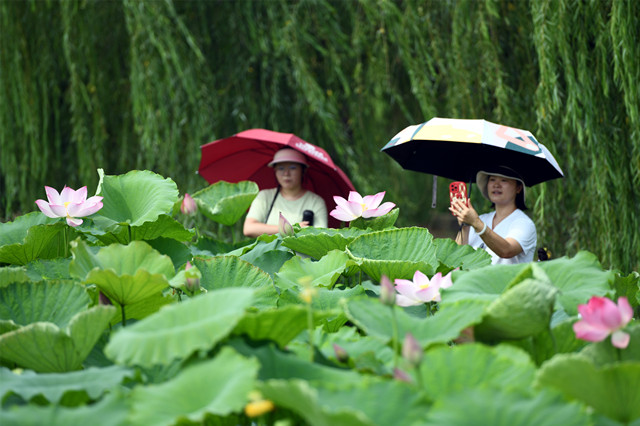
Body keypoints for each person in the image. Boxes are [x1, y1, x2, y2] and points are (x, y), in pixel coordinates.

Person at [449, 167, 537, 264]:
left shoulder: (524, 224)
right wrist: (465, 226)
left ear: (518, 188)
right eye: (492, 179)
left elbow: (507, 251)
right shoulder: (481, 219)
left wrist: (476, 223)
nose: (496, 185)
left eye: (504, 180)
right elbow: (456, 258)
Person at [243, 148, 328, 238]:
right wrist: (290, 229)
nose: (286, 173)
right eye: (281, 168)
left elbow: (321, 237)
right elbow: (249, 229)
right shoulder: (265, 196)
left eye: (292, 168)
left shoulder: (316, 202)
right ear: (275, 171)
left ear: (303, 170)